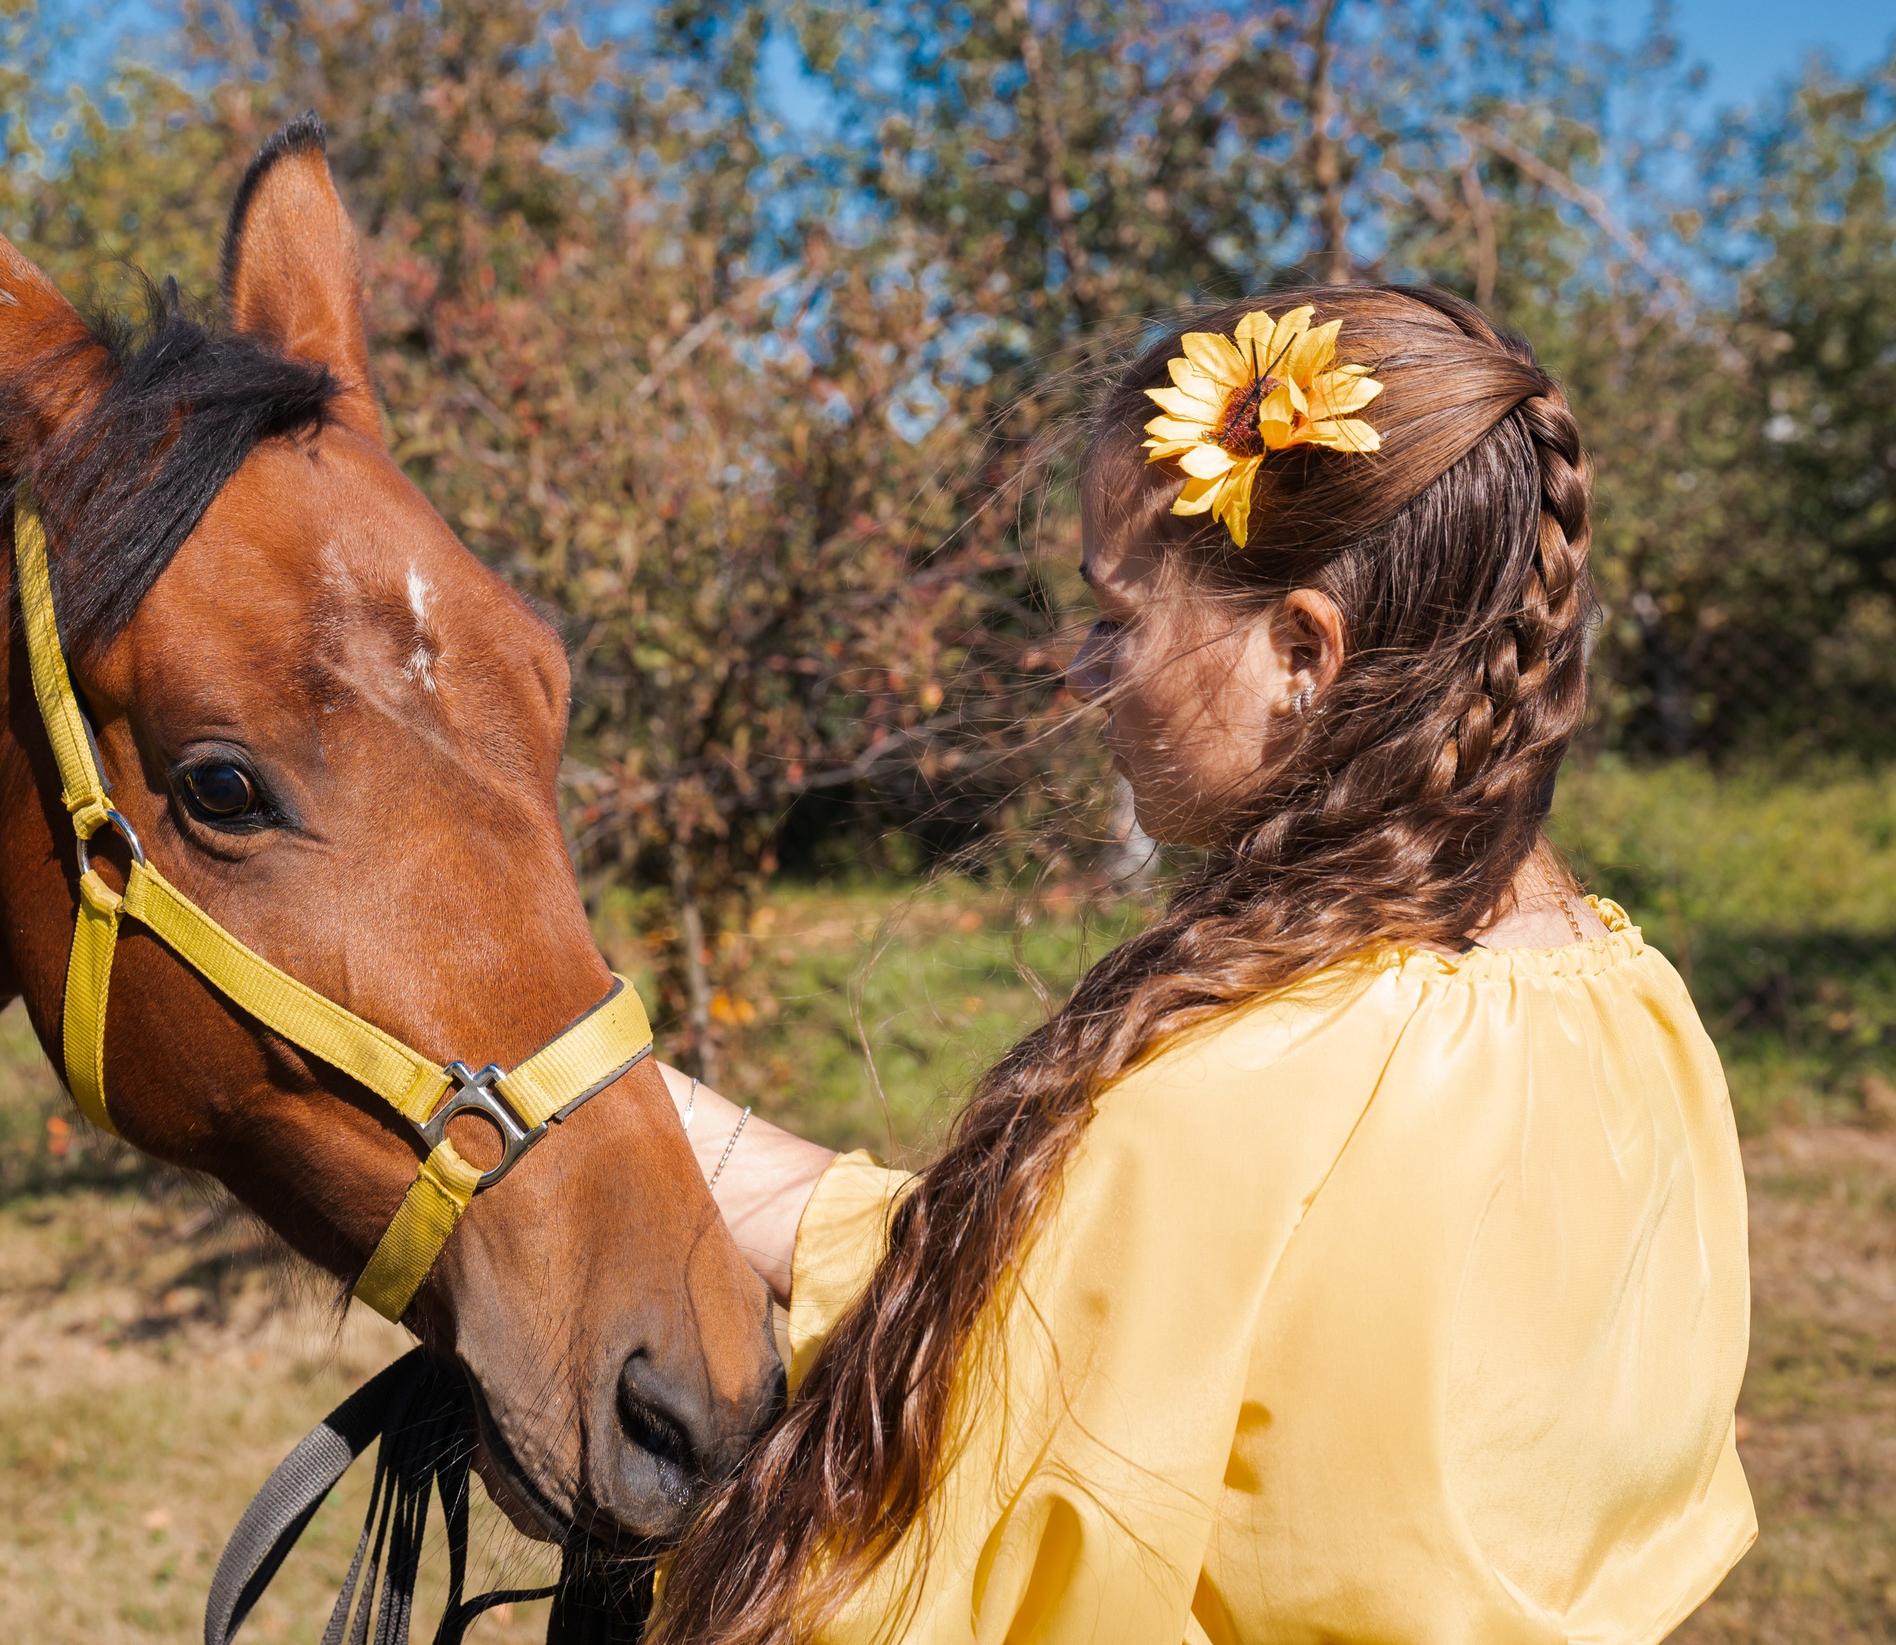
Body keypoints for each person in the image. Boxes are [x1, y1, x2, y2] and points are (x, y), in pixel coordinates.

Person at [651, 286, 1756, 1644]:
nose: (1081, 665)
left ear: (1301, 650)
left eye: (1117, 616)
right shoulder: (1631, 1007)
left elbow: (974, 1553)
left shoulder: (1229, 1100)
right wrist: (627, 1115)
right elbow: (1088, 1289)